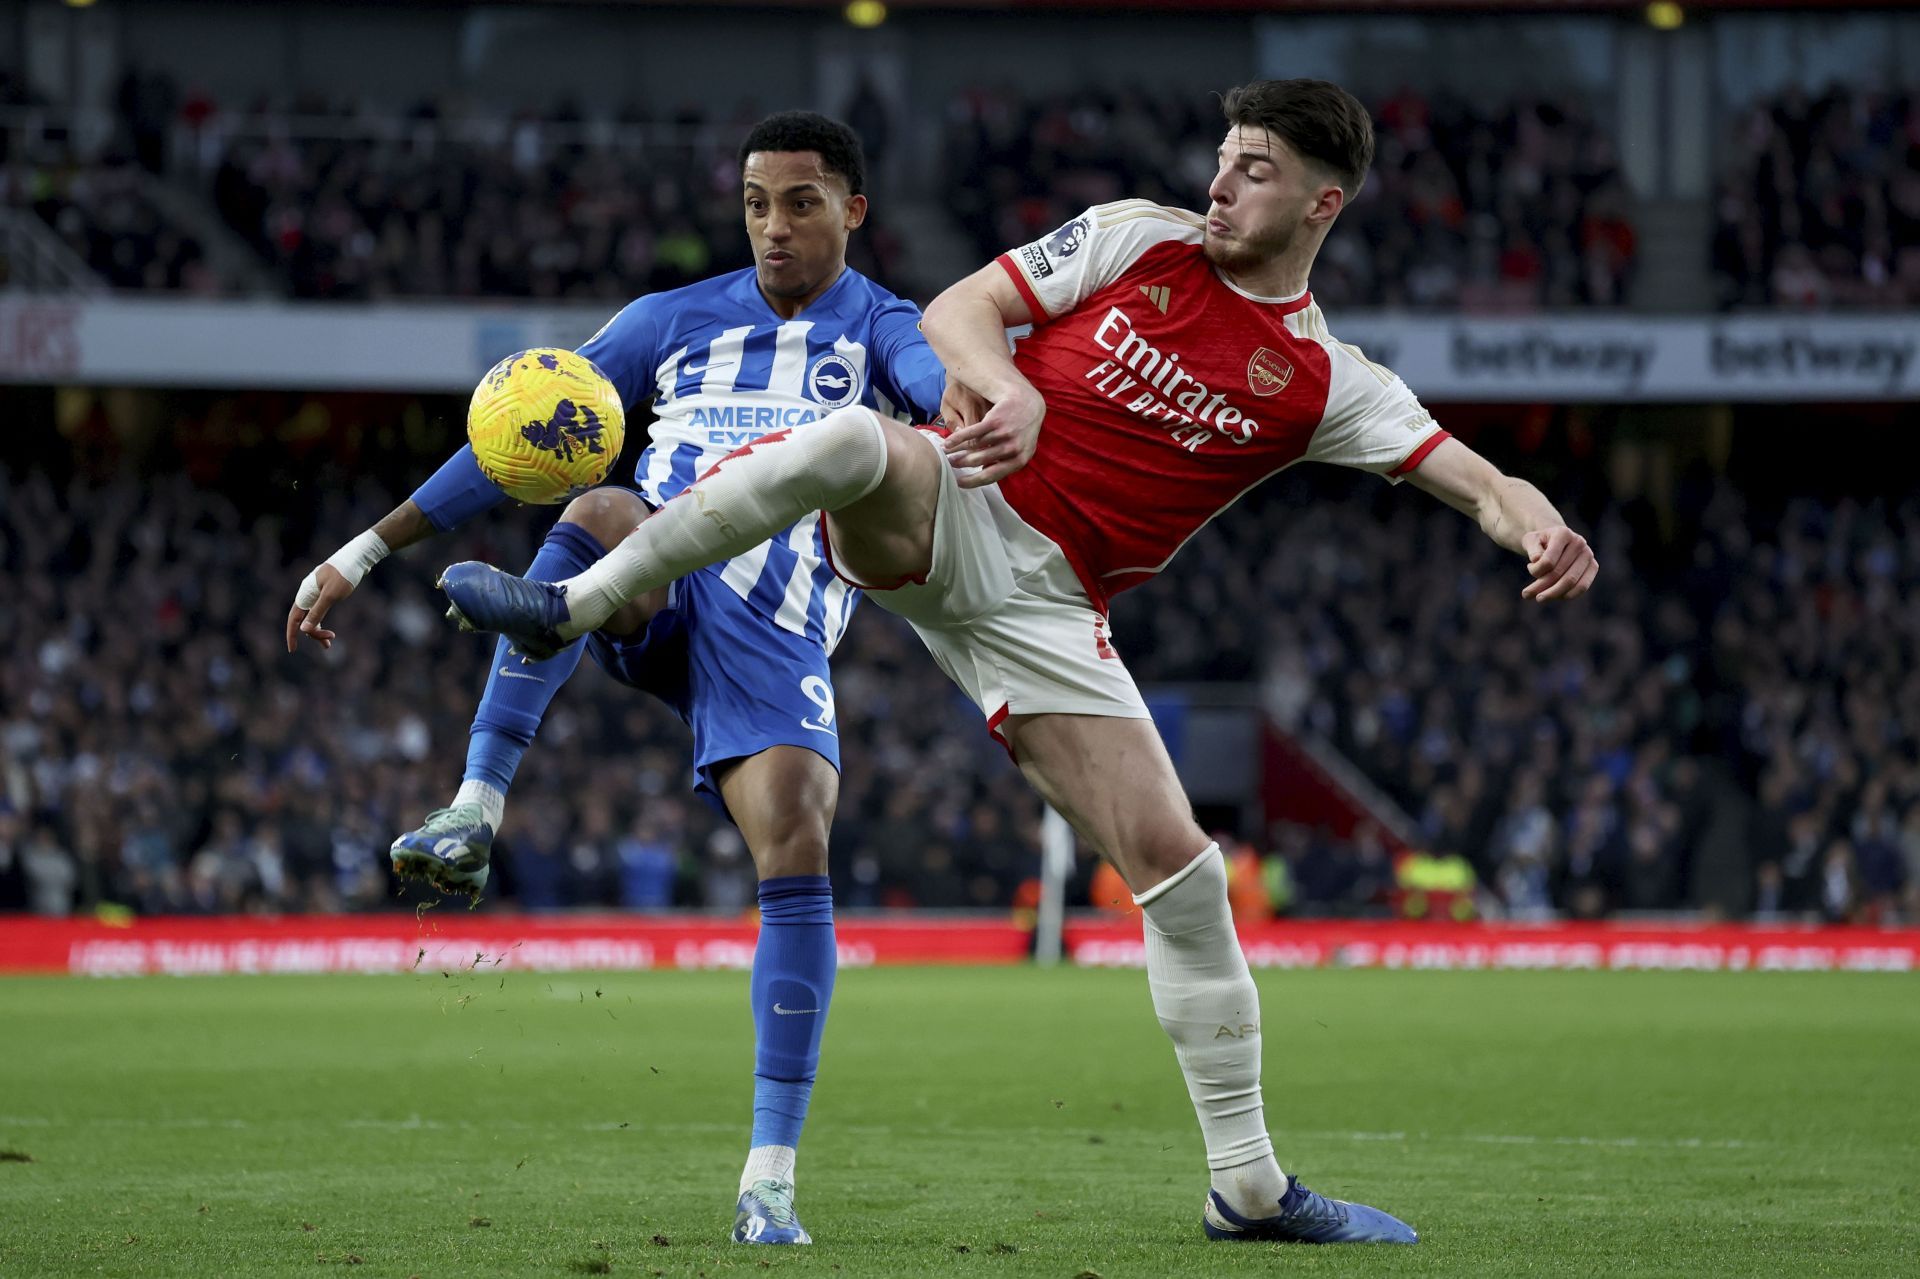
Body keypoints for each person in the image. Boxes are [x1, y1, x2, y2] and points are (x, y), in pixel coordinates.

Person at [437, 79, 1598, 1246]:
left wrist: (1538, 527)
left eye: (1254, 170)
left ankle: (1246, 1187)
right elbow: (957, 311)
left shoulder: (1326, 383)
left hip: (1050, 611)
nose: (1221, 182)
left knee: (1183, 875)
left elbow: (1478, 477)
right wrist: (1004, 395)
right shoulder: (1142, 236)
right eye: (1224, 157)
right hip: (955, 498)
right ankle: (571, 602)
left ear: (1320, 203)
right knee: (852, 439)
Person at [285, 111, 945, 1246]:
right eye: (753, 202)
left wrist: (972, 404)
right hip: (651, 578)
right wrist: (364, 549)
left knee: (797, 836)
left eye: (798, 202)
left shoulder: (885, 325)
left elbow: (939, 382)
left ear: (854, 209)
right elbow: (515, 436)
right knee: (593, 504)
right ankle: (472, 811)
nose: (772, 226)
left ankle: (769, 1181)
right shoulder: (669, 322)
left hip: (778, 622)